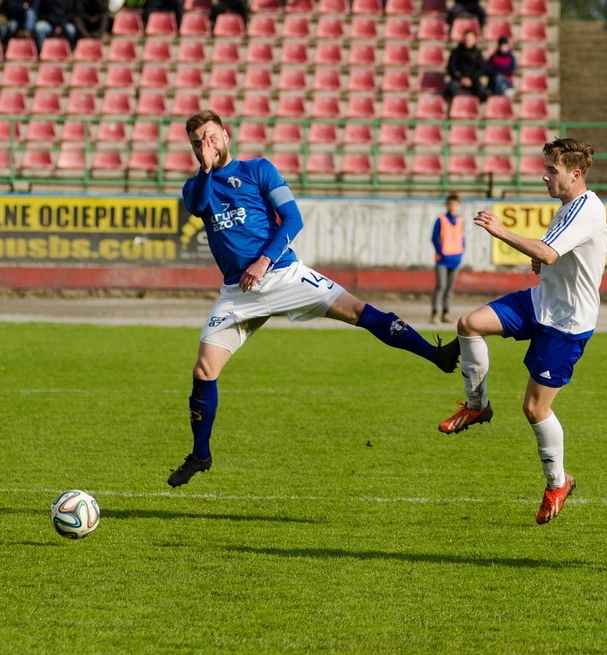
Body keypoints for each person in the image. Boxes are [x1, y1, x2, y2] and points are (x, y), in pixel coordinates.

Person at [167, 110, 461, 488]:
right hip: (239, 292)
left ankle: (436, 355)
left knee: (358, 311)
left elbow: (293, 219)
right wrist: (207, 168)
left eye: (210, 137)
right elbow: (197, 205)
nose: (204, 146)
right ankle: (200, 454)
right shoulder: (196, 186)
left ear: (226, 135)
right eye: (197, 143)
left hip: (285, 274)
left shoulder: (259, 170)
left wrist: (264, 259)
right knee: (203, 371)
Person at [438, 138, 607, 525]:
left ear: (575, 174)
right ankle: (477, 405)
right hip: (541, 301)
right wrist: (545, 262)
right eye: (545, 168)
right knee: (469, 324)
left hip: (567, 322)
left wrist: (502, 232)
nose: (544, 176)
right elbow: (560, 252)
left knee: (535, 408)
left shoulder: (588, 209)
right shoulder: (569, 206)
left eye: (552, 169)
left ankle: (558, 483)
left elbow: (550, 251)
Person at [431, 193, 466, 324]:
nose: (453, 207)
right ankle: (435, 312)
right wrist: (441, 253)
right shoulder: (441, 219)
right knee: (441, 285)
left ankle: (446, 312)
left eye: (455, 205)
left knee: (450, 288)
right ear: (447, 205)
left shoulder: (460, 221)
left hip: (455, 259)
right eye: (451, 204)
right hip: (442, 259)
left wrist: (461, 253)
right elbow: (434, 238)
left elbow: (462, 238)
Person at [444, 29, 487, 104]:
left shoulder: (477, 53)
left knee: (482, 92)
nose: (468, 41)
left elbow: (481, 68)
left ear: (474, 40)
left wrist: (472, 79)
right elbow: (451, 67)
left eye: (470, 39)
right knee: (450, 89)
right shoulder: (456, 52)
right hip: (458, 79)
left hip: (473, 79)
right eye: (467, 39)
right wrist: (461, 78)